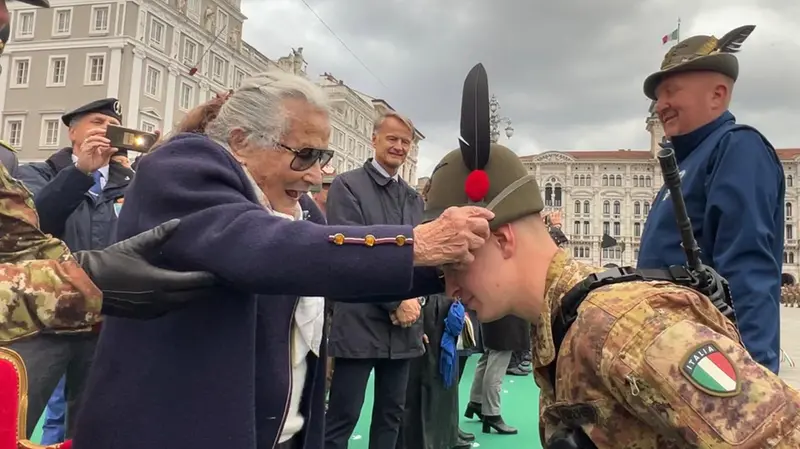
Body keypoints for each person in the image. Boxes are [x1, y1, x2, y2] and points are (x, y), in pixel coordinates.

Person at [71, 71, 493, 449]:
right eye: (305, 155)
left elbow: (334, 269)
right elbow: (262, 248)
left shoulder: (298, 207)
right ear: (240, 140)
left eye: (322, 159)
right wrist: (415, 243)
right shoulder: (180, 166)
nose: (314, 175)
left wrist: (444, 268)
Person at [424, 63, 800, 448]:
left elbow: (777, 432)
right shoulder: (564, 325)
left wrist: (751, 358)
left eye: (455, 262)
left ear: (502, 239)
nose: (449, 287)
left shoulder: (623, 329)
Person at [638, 25, 784, 374]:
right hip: (678, 361)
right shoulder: (687, 160)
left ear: (717, 96)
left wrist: (752, 380)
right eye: (658, 97)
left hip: (709, 369)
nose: (661, 106)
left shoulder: (736, 149)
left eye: (671, 92)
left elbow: (748, 272)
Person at [13, 97, 133, 442]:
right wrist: (80, 172)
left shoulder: (131, 184)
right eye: (97, 122)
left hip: (104, 319)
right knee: (24, 413)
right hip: (44, 318)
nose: (106, 130)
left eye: (113, 126)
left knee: (87, 419)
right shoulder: (36, 173)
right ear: (73, 132)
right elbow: (34, 225)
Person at [325, 110, 426, 449]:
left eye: (405, 142)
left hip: (403, 329)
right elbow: (353, 253)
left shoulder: (414, 199)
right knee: (342, 415)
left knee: (391, 417)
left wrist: (416, 302)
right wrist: (398, 300)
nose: (398, 147)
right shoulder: (347, 185)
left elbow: (419, 258)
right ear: (375, 140)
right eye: (392, 139)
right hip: (359, 321)